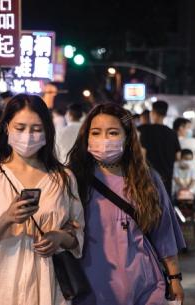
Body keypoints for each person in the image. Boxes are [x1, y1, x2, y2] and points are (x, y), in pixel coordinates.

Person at [0, 94, 84, 305]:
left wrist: (59, 237)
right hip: (1, 290)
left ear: (47, 131)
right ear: (6, 128)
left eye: (36, 129)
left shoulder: (63, 178)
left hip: (50, 290)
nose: (28, 136)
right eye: (20, 128)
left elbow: (77, 234)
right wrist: (6, 219)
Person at [69, 103, 186, 305]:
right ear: (86, 137)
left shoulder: (147, 179)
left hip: (144, 285)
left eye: (113, 132)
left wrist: (174, 278)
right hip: (91, 286)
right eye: (96, 132)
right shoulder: (73, 180)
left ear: (127, 137)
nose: (104, 139)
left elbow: (164, 232)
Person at [138, 100, 181, 193]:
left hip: (150, 177)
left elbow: (142, 155)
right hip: (167, 177)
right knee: (165, 203)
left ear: (152, 113)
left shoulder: (146, 131)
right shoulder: (172, 133)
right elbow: (178, 157)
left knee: (150, 204)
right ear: (165, 115)